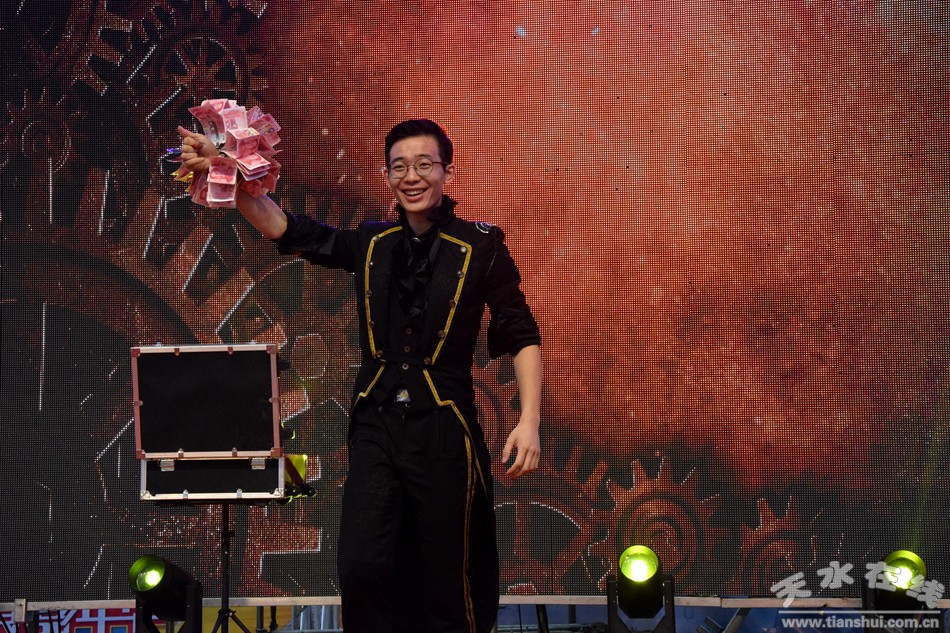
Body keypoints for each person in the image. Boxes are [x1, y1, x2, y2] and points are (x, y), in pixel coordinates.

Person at [178, 118, 542, 633]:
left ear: (446, 171)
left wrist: (529, 420)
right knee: (361, 566)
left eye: (424, 164)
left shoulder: (480, 246)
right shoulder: (373, 242)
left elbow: (521, 333)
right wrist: (228, 173)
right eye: (399, 167)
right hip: (376, 425)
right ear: (387, 175)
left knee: (448, 579)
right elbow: (286, 229)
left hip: (444, 428)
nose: (411, 176)